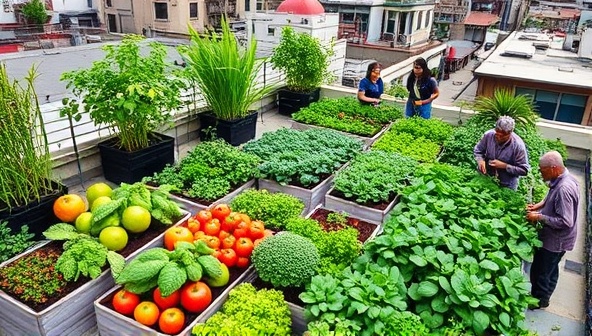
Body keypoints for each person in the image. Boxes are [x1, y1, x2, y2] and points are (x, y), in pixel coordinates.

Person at [526, 151, 579, 309]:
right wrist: (540, 206)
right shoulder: (564, 178)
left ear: (554, 168)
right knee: (550, 269)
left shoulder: (564, 189)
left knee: (542, 271)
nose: (540, 173)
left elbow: (566, 221)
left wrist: (539, 217)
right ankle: (545, 296)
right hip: (557, 238)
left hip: (556, 240)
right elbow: (551, 195)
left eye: (543, 170)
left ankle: (539, 301)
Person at [473, 116, 529, 190]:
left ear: (510, 133)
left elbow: (524, 170)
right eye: (497, 134)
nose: (499, 137)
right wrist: (480, 160)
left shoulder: (518, 146)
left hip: (507, 185)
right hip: (486, 177)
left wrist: (505, 166)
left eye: (502, 136)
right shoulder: (489, 135)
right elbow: (478, 150)